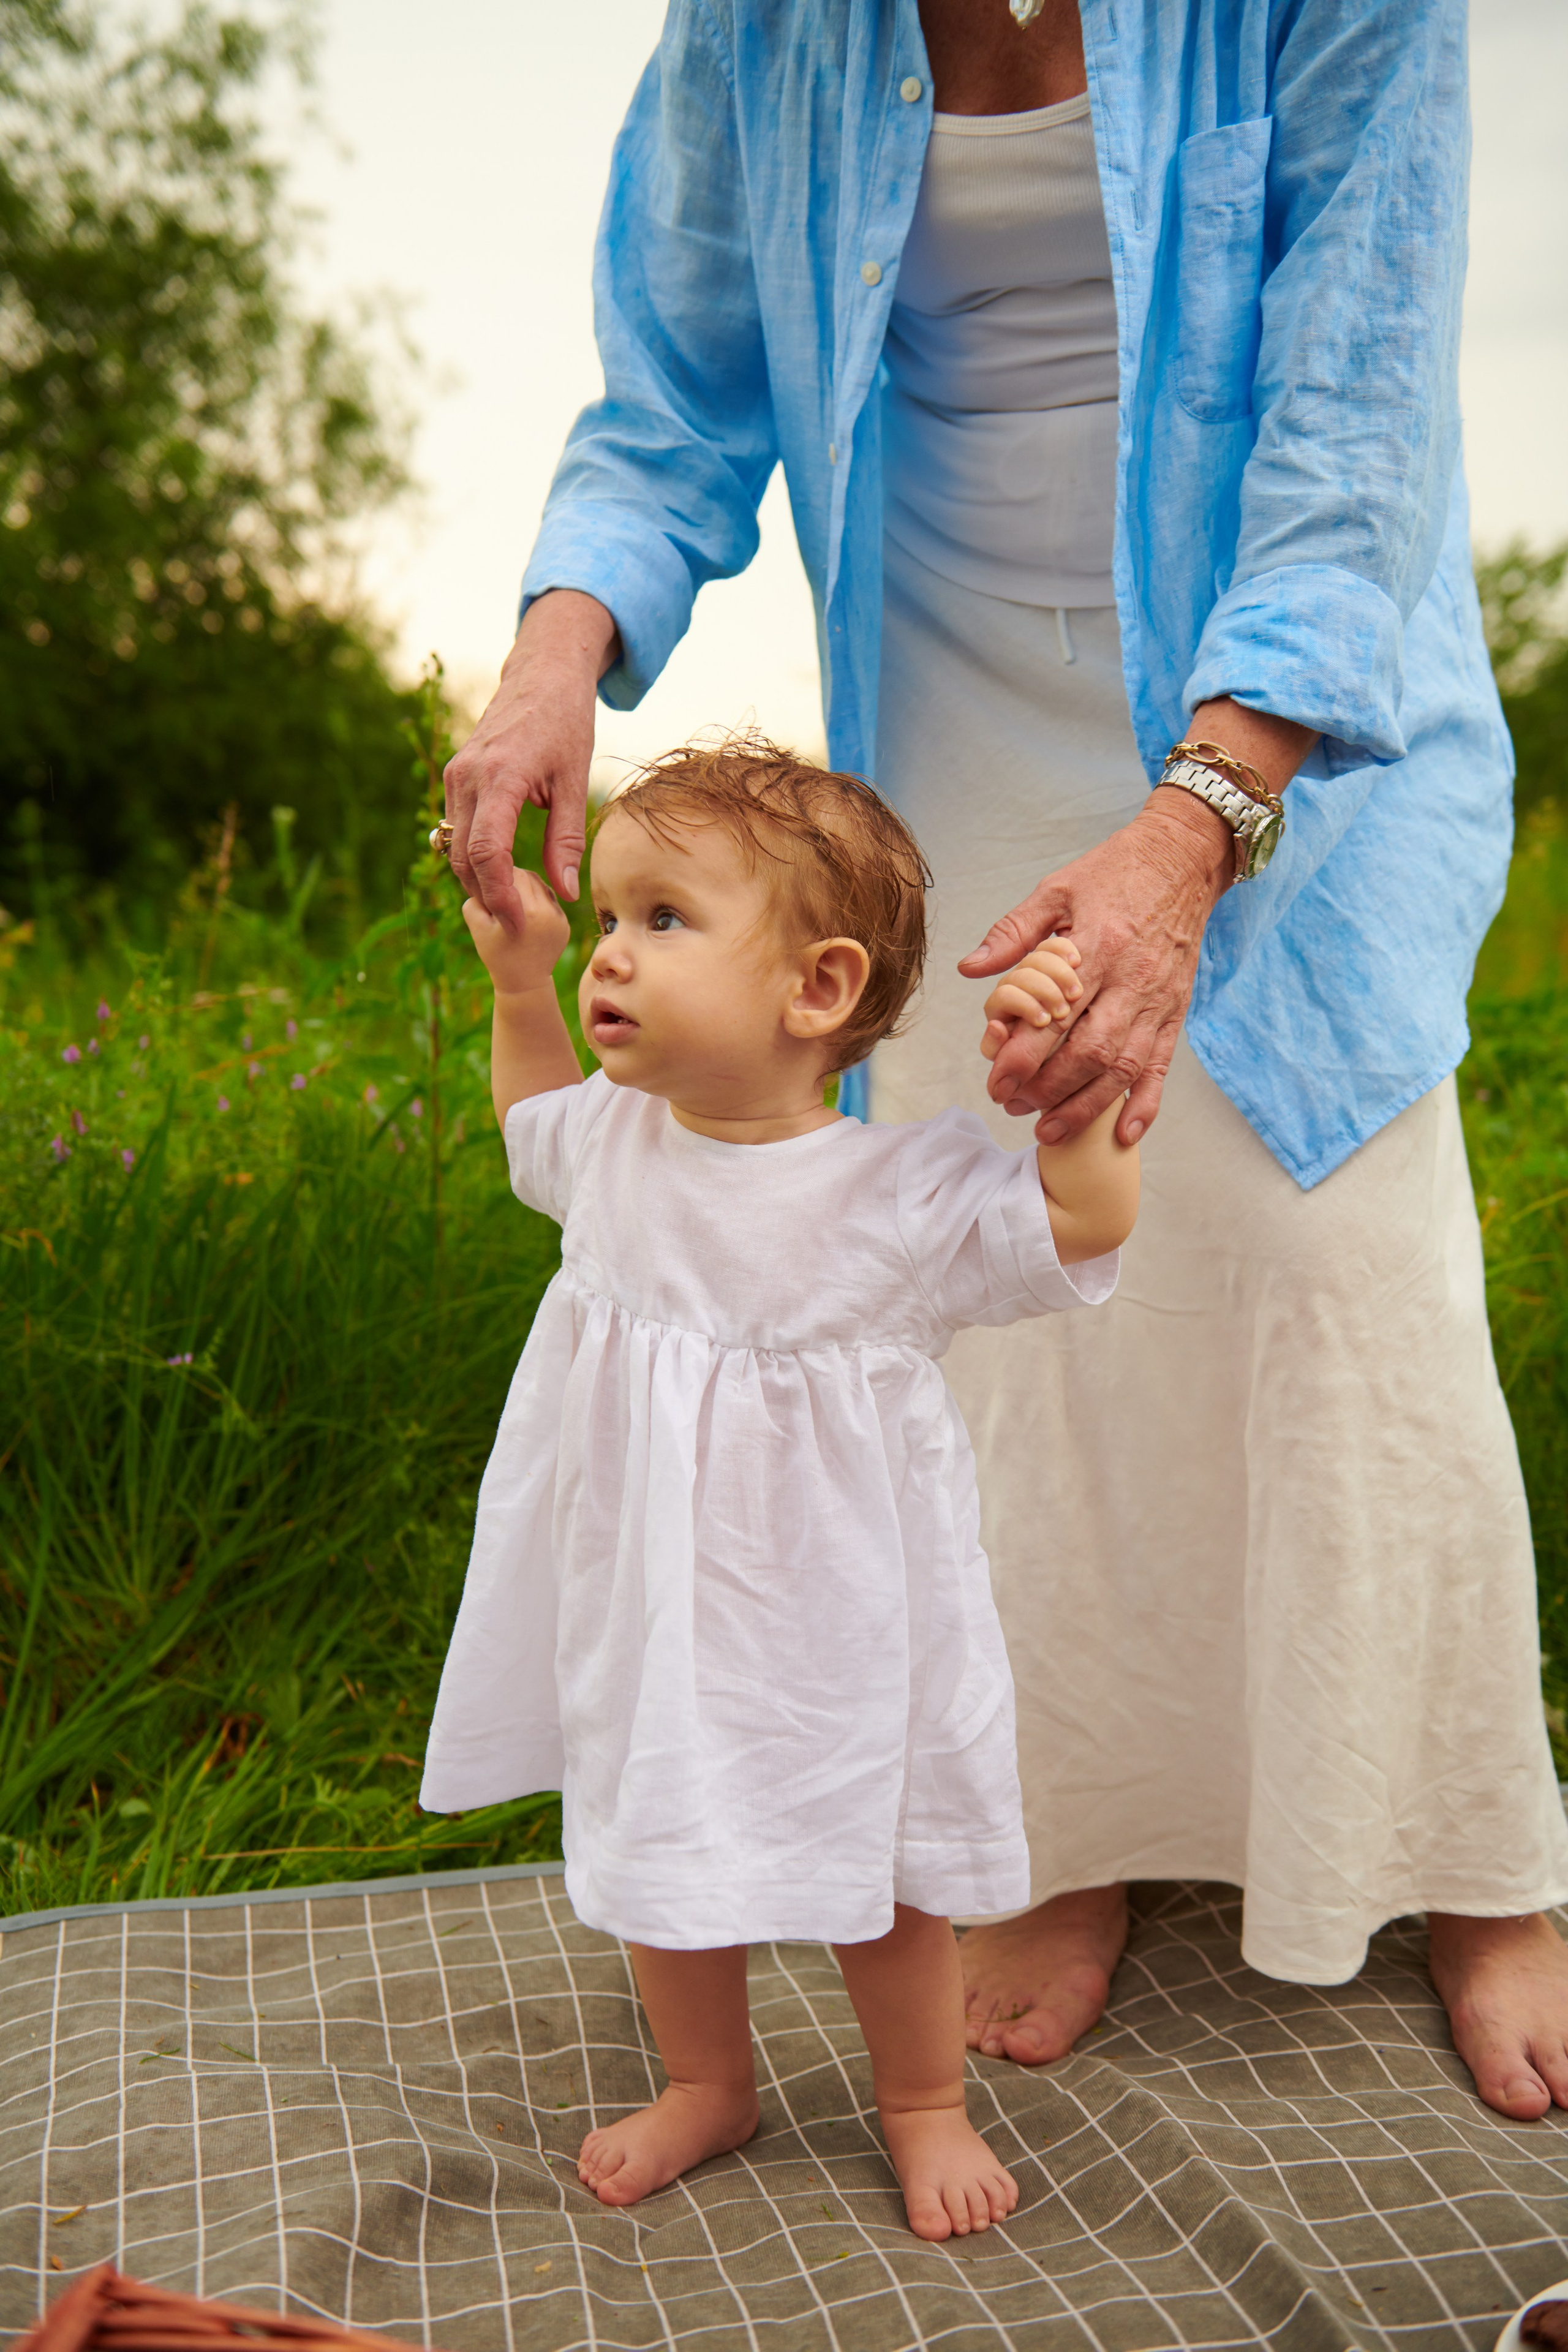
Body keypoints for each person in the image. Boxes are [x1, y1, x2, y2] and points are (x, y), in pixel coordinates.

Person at [442, 0, 1568, 2118]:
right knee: (999, 1305)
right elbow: (670, 399)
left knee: (1329, 1271)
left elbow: (1358, 426)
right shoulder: (761, 31)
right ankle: (1069, 1835)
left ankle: (1466, 1853)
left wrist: (1196, 824)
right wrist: (552, 657)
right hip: (946, 701)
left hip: (1277, 728)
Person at [418, 743, 1140, 2237]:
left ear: (815, 990)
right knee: (658, 1842)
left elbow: (1074, 1233)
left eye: (661, 921)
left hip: (842, 1625)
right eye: (609, 917)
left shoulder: (902, 1195)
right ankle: (707, 2083)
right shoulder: (618, 1144)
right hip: (656, 1602)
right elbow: (524, 1127)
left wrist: (1068, 1109)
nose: (611, 953)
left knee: (883, 1876)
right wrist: (518, 982)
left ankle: (923, 2100)